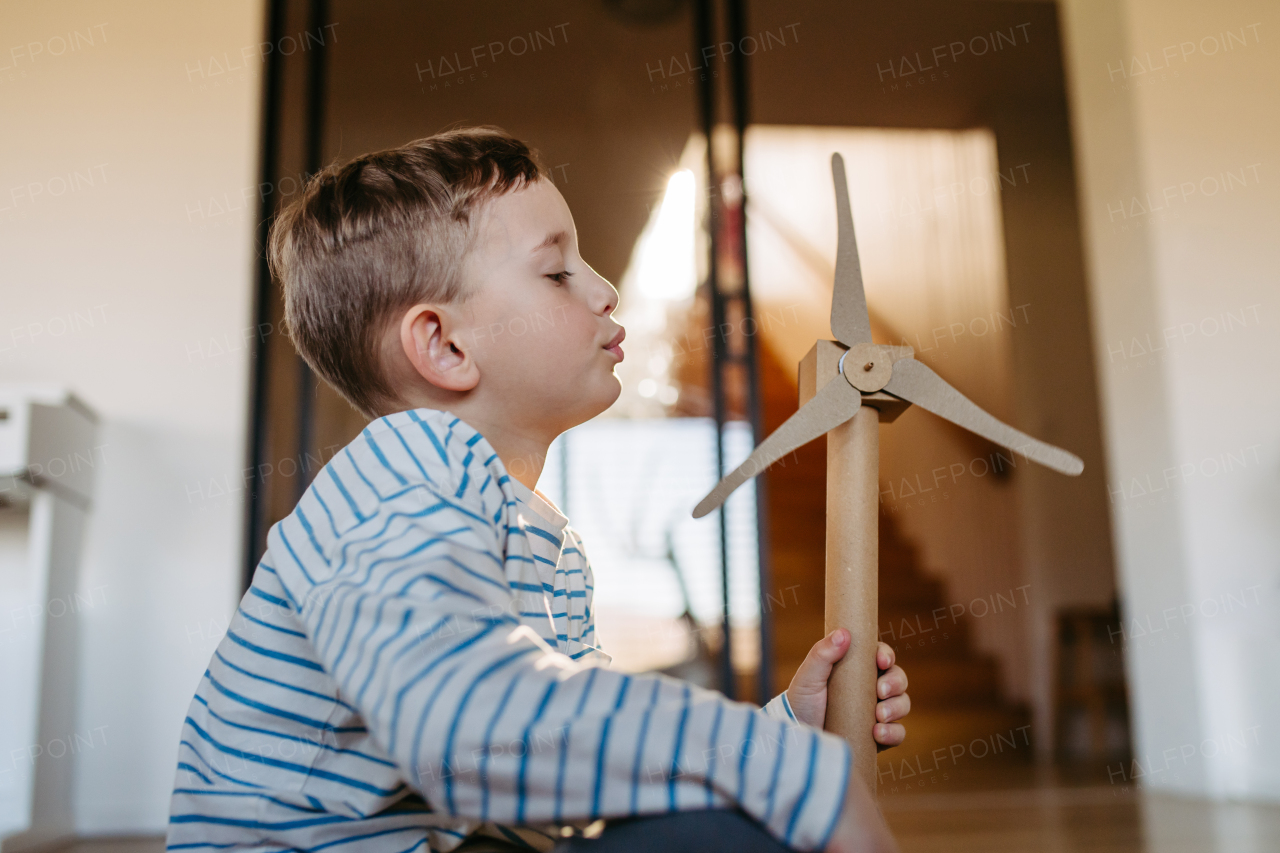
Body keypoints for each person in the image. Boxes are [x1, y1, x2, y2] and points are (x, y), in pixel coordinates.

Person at [165, 127, 911, 853]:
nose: (607, 290)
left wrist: (784, 726)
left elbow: (582, 767)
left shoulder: (540, 537)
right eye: (557, 272)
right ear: (445, 345)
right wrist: (774, 767)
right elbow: (464, 727)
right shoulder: (402, 466)